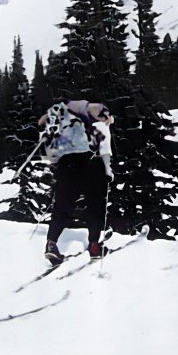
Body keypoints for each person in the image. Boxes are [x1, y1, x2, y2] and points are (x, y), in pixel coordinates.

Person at [38, 100, 114, 264]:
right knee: (95, 203)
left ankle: (51, 244)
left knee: (62, 206)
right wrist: (108, 170)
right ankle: (94, 245)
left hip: (65, 164)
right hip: (89, 161)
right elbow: (104, 147)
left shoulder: (59, 118)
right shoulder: (92, 116)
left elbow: (49, 149)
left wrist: (56, 167)